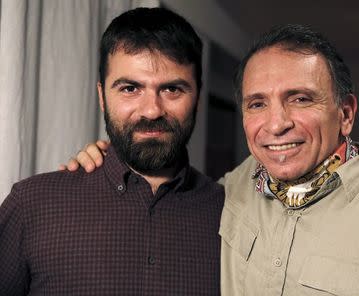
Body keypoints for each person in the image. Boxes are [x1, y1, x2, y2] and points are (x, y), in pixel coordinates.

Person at [63, 25, 359, 295]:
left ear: (345, 114)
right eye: (257, 103)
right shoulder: (229, 190)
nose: (277, 124)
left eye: (300, 98)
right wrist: (110, 158)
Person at [0, 7, 223, 295]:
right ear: (102, 97)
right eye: (130, 88)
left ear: (198, 100)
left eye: (172, 90)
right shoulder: (32, 206)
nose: (152, 110)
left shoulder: (230, 216)